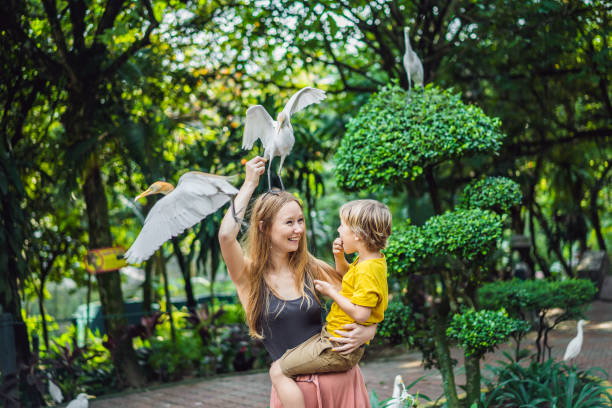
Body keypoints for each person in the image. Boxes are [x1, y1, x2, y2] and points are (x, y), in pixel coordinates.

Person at [218, 156, 377, 407]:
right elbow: (226, 236)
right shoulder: (249, 276)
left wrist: (369, 331)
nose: (299, 230)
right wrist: (249, 184)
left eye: (300, 221)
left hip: (343, 386)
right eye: (289, 222)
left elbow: (364, 300)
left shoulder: (310, 267)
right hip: (297, 396)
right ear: (264, 228)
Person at [270, 199, 391, 408]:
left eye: (342, 225)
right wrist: (339, 257)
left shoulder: (368, 269)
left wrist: (332, 293)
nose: (338, 229)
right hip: (333, 339)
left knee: (277, 370)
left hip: (336, 345)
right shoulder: (371, 261)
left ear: (357, 235)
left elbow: (361, 314)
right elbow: (350, 282)